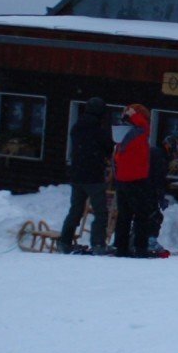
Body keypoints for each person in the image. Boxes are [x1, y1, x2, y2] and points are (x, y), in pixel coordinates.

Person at [61, 97, 111, 254]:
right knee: (101, 211)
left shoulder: (77, 127)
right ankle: (98, 244)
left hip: (77, 174)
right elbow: (109, 148)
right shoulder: (97, 129)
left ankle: (65, 242)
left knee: (75, 209)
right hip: (93, 176)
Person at [111, 103, 154, 257]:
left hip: (122, 180)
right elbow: (144, 127)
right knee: (142, 215)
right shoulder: (138, 132)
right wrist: (133, 113)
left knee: (124, 215)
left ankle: (121, 247)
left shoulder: (122, 134)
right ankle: (141, 248)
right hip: (136, 179)